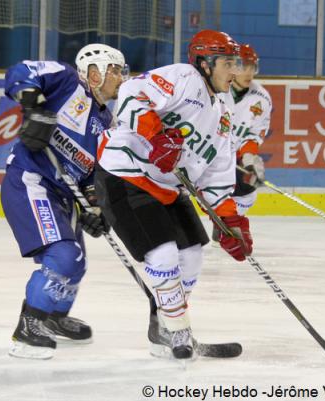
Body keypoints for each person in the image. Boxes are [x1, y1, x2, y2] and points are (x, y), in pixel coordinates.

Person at [94, 30, 253, 360]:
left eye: (235, 63)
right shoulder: (182, 76)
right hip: (125, 175)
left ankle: (163, 328)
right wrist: (155, 135)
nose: (234, 71)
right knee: (163, 254)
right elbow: (130, 95)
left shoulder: (223, 114)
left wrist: (231, 222)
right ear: (204, 63)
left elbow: (215, 179)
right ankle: (178, 331)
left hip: (168, 186)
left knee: (192, 255)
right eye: (227, 63)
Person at [1, 44, 128, 359]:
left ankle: (54, 317)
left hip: (62, 194)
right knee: (64, 254)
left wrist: (94, 206)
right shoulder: (68, 81)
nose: (121, 78)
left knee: (77, 262)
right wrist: (33, 106)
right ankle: (29, 327)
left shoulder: (107, 123)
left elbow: (90, 176)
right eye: (116, 70)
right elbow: (21, 71)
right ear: (95, 72)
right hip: (31, 180)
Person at [228, 43, 272, 216]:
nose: (249, 72)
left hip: (232, 156)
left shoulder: (261, 98)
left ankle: (226, 224)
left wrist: (248, 160)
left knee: (247, 192)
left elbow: (253, 134)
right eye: (244, 66)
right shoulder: (217, 88)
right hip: (203, 153)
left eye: (252, 67)